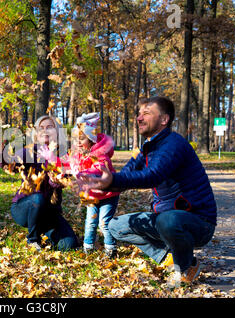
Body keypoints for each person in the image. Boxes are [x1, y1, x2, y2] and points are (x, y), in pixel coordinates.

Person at [80, 96, 216, 284]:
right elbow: (126, 175)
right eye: (138, 113)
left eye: (146, 113)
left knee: (167, 220)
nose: (139, 118)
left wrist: (114, 179)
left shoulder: (173, 144)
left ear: (164, 120)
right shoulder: (147, 148)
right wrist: (98, 181)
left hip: (199, 222)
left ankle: (184, 269)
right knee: (115, 226)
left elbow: (153, 175)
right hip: (167, 219)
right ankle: (171, 258)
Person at [0, 115, 79, 252]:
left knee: (69, 245)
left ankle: (44, 231)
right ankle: (33, 240)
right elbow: (10, 165)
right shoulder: (29, 151)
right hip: (25, 207)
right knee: (38, 198)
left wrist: (55, 180)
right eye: (41, 128)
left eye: (49, 127)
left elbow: (66, 178)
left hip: (49, 212)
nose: (45, 131)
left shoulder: (63, 155)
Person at [68, 113, 121, 258]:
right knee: (91, 221)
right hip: (91, 195)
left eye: (82, 139)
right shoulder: (77, 154)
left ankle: (111, 248)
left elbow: (98, 169)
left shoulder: (100, 153)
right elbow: (67, 163)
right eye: (75, 139)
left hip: (108, 194)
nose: (78, 142)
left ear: (91, 139)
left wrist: (82, 173)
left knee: (104, 222)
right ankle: (88, 247)